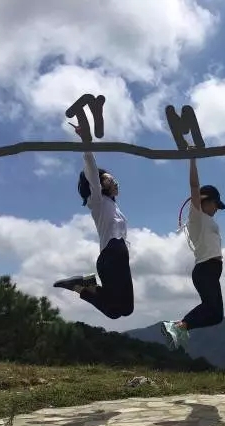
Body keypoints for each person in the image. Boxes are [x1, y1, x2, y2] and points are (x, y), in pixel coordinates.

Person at [52, 123, 134, 319]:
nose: (114, 181)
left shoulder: (113, 206)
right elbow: (91, 169)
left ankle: (86, 285)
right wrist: (85, 141)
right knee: (116, 311)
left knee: (125, 309)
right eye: (108, 179)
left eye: (114, 179)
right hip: (110, 256)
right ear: (99, 184)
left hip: (119, 257)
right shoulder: (96, 201)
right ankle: (81, 287)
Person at [161, 146, 225, 351]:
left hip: (211, 270)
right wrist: (192, 159)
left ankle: (181, 326)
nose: (217, 209)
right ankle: (178, 326)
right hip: (205, 269)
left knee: (217, 315)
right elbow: (194, 186)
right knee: (210, 307)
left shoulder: (206, 219)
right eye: (215, 204)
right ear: (204, 201)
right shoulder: (197, 217)